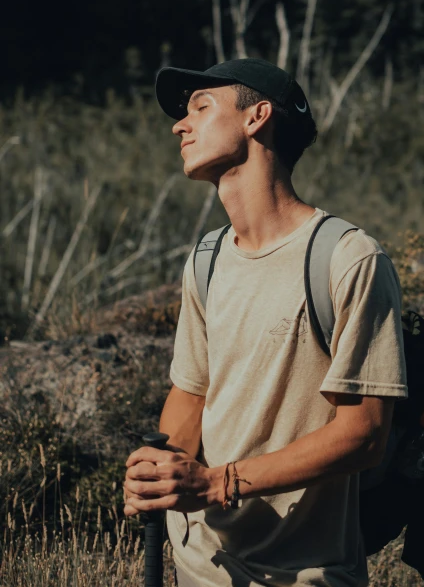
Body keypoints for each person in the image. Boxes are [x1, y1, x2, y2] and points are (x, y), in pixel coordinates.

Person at [123, 58, 408, 587]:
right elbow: (191, 395)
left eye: (200, 108)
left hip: (305, 573)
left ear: (257, 117)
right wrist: (162, 473)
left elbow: (364, 433)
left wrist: (217, 483)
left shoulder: (347, 258)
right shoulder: (206, 259)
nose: (178, 126)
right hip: (199, 565)